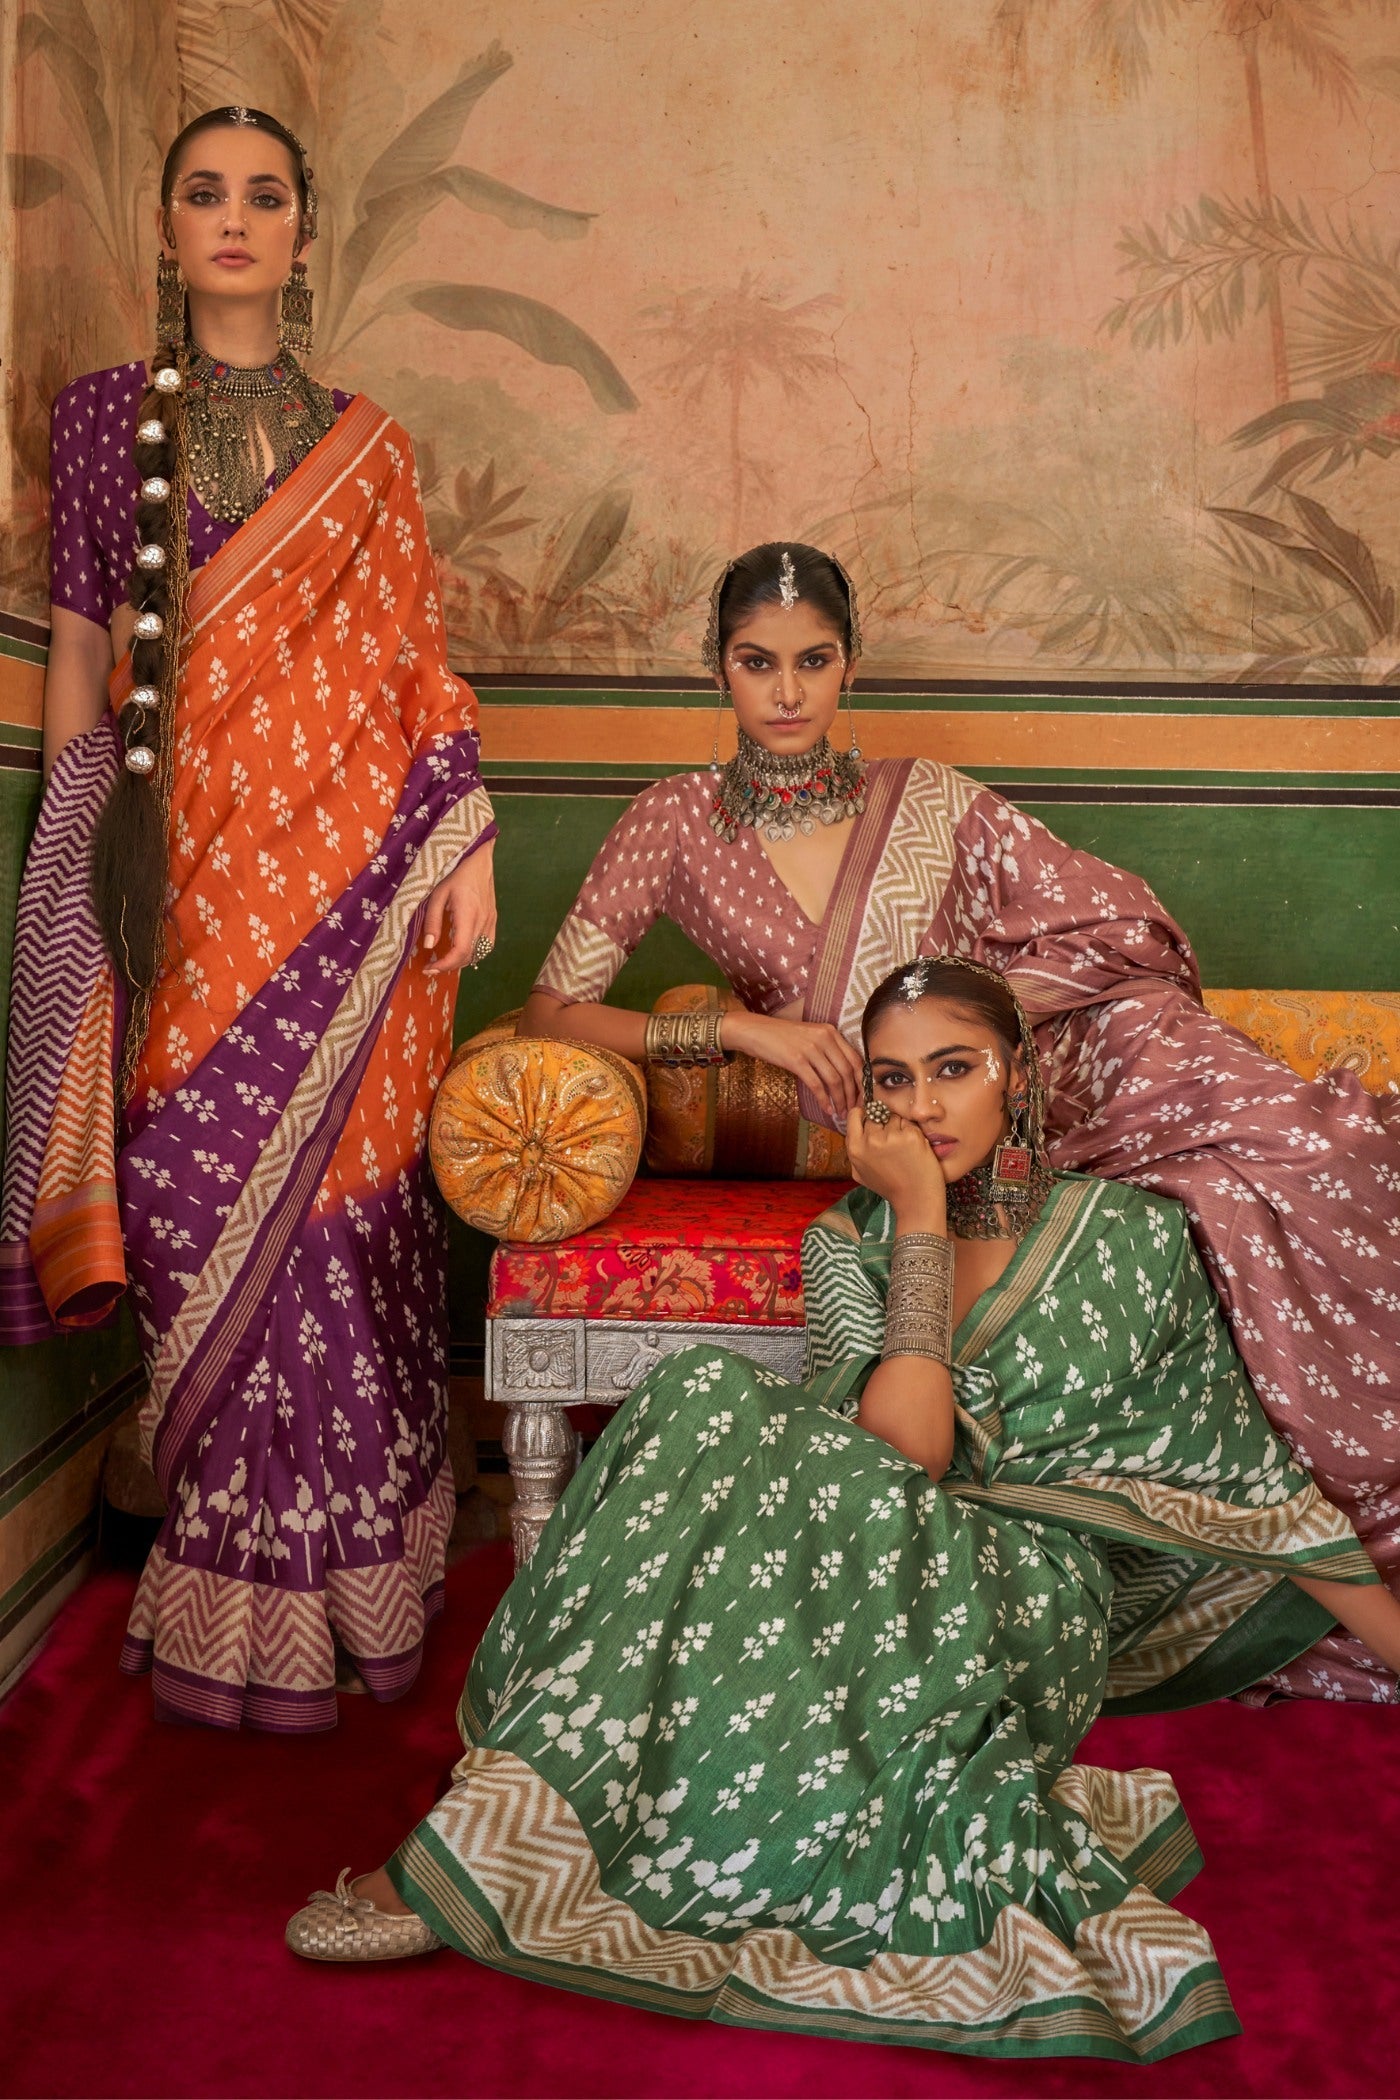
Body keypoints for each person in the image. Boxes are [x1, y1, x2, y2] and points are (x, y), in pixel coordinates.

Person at [284, 957, 1397, 2063]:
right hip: (871, 1568)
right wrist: (912, 1223)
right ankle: (514, 1815)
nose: (920, 1106)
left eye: (952, 1069)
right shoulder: (846, 1240)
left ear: (1013, 1074)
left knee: (730, 1419)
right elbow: (888, 1461)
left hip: (1022, 1602)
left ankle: (491, 1832)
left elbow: (1241, 1479)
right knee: (699, 1392)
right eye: (891, 1080)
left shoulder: (1129, 1238)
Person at [518, 541, 1400, 1703]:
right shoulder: (671, 824)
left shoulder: (928, 796)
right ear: (715, 668)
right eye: (755, 661)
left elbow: (1106, 918)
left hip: (1064, 1056)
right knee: (1234, 1196)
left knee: (1318, 1157)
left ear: (849, 665)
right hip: (920, 1111)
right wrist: (745, 1033)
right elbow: (551, 1013)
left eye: (813, 661)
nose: (785, 692)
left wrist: (993, 1027)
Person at [0, 107, 497, 1732]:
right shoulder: (99, 424)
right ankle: (224, 1572)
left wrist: (467, 834)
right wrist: (73, 855)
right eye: (202, 191)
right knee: (189, 1188)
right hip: (179, 878)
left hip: (356, 887)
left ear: (301, 237)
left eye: (263, 196)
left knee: (342, 1231)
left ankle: (350, 1581)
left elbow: (419, 666)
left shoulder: (372, 444)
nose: (232, 218)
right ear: (165, 226)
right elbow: (87, 658)